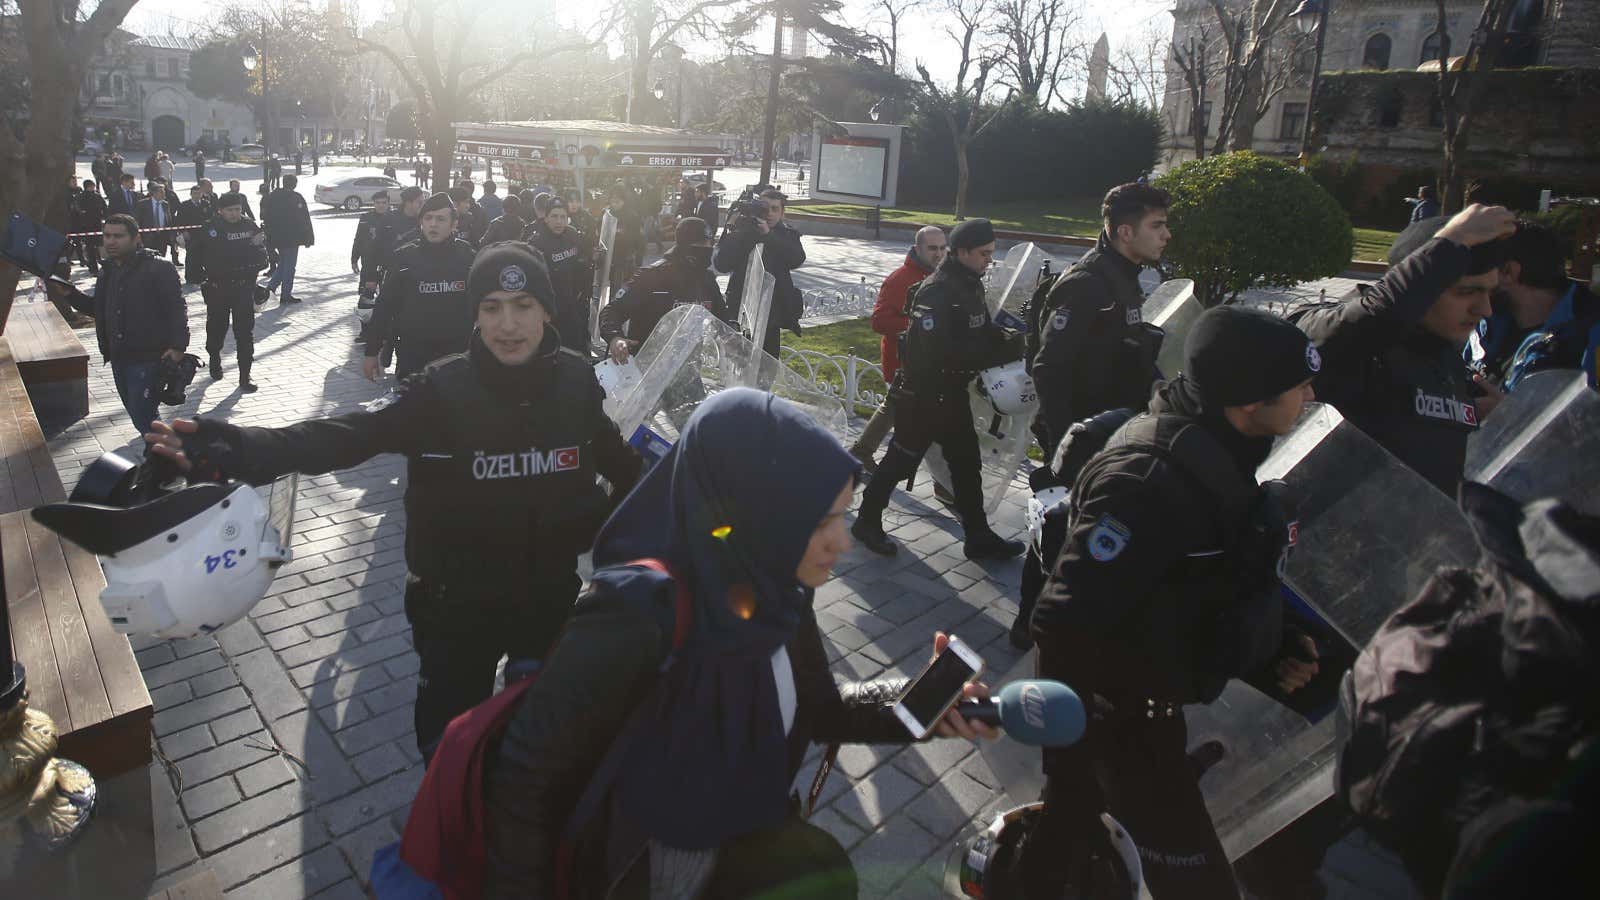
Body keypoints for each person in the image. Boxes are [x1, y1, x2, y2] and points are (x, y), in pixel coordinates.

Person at [482, 388, 995, 898]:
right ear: (753, 514)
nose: (841, 542)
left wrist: (924, 703)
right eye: (819, 521)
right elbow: (525, 780)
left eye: (844, 513)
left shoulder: (775, 589)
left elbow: (821, 710)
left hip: (750, 851)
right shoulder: (634, 612)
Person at [144, 243, 643, 759]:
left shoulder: (577, 381)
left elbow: (625, 466)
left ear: (546, 310)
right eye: (491, 307)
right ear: (474, 313)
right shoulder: (439, 390)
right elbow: (347, 434)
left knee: (542, 742)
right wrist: (238, 449)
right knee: (449, 746)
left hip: (548, 597)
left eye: (523, 307)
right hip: (456, 605)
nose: (507, 325)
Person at [1019, 306, 1324, 900]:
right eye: (1299, 385)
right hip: (1126, 728)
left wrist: (1275, 637)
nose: (1311, 395)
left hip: (1169, 709)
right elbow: (1062, 625)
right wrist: (1069, 770)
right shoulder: (1148, 481)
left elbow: (1207, 571)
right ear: (1248, 400)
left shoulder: (1221, 444)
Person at [1291, 203, 1517, 496]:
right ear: (1416, 281)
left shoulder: (1446, 359)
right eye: (1466, 292)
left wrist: (1497, 424)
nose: (1484, 309)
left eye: (1489, 293)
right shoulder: (1334, 332)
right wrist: (1453, 241)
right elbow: (1378, 317)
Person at [851, 218, 1026, 561]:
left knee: (965, 462)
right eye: (983, 253)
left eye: (991, 253)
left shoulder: (969, 282)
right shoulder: (937, 290)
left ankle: (978, 535)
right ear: (962, 252)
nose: (988, 260)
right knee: (900, 461)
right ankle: (867, 520)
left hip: (952, 392)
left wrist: (1013, 341)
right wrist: (988, 353)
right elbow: (934, 351)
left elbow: (980, 329)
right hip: (925, 394)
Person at [1031, 183, 1170, 455]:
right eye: (1157, 226)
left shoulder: (1123, 275)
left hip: (1114, 427)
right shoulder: (1087, 283)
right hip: (1085, 438)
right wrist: (1066, 447)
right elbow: (1048, 369)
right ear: (1126, 232)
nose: (1167, 235)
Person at [57, 214, 188, 434]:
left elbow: (177, 309)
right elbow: (99, 309)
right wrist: (71, 294)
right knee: (142, 419)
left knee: (146, 419)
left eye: (118, 236)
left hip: (149, 359)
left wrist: (178, 348)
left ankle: (170, 459)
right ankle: (163, 459)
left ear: (136, 238)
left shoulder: (158, 268)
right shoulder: (107, 270)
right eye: (107, 236)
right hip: (119, 358)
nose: (111, 241)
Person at [849, 225, 946, 471]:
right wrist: (924, 323)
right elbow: (879, 321)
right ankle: (942, 481)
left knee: (893, 408)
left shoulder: (943, 276)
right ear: (917, 249)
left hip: (930, 363)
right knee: (921, 421)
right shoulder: (899, 280)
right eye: (932, 248)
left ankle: (860, 452)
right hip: (901, 362)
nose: (939, 253)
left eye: (943, 248)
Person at [1467, 219, 1599, 393]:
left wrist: (1507, 413)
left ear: (1509, 272)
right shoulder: (1485, 323)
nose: (1469, 283)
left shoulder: (1590, 336)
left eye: (1479, 271)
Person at [363, 192, 478, 381]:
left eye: (441, 219)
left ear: (454, 224)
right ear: (421, 222)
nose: (433, 224)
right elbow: (384, 307)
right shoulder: (404, 258)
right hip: (413, 356)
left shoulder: (468, 257)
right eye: (428, 218)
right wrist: (371, 352)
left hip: (458, 357)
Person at [599, 217, 726, 363]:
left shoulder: (707, 280)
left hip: (689, 368)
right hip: (647, 367)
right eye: (701, 244)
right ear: (685, 246)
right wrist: (616, 338)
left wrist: (733, 342)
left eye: (710, 244)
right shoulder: (652, 276)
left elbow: (723, 319)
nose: (708, 249)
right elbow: (612, 311)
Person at [713, 189, 805, 359]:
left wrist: (768, 236)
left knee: (767, 367)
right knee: (739, 364)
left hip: (771, 314)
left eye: (774, 209)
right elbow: (721, 264)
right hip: (741, 310)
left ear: (782, 213)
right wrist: (735, 230)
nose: (769, 213)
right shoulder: (743, 232)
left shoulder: (787, 235)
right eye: (764, 208)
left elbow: (797, 258)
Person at [197, 192, 270, 392]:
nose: (234, 213)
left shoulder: (249, 226)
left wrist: (256, 248)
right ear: (220, 210)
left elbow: (264, 258)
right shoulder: (211, 228)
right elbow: (213, 256)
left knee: (245, 333)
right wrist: (249, 247)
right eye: (230, 210)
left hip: (244, 288)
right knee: (217, 328)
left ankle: (245, 377)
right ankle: (214, 357)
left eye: (237, 209)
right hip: (218, 288)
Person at [523, 197, 592, 355]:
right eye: (554, 216)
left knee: (577, 349)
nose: (559, 221)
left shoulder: (573, 235)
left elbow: (583, 263)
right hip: (549, 310)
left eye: (563, 217)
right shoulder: (536, 242)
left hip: (574, 304)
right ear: (546, 218)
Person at [262, 173, 315, 305]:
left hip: (276, 237)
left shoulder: (272, 197)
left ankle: (270, 289)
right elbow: (304, 219)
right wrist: (308, 237)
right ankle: (285, 295)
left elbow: (265, 216)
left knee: (283, 264)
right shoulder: (296, 198)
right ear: (294, 184)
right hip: (291, 238)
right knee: (289, 267)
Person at [175, 183, 214, 285]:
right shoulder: (184, 205)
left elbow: (211, 218)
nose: (197, 195)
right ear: (191, 194)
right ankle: (190, 277)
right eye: (195, 193)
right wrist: (183, 232)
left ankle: (201, 276)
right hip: (190, 235)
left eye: (199, 193)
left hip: (203, 234)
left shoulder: (206, 204)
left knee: (202, 255)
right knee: (191, 256)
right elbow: (179, 220)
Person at [135, 181, 181, 267]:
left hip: (162, 236)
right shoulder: (143, 204)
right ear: (154, 193)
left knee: (160, 259)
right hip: (148, 236)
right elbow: (137, 220)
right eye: (161, 192)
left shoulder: (165, 204)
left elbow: (168, 220)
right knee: (148, 260)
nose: (164, 194)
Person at [73, 180, 107, 276]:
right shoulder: (82, 197)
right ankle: (93, 267)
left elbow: (104, 207)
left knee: (93, 247)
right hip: (88, 225)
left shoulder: (96, 196)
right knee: (91, 247)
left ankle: (95, 264)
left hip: (93, 224)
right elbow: (77, 209)